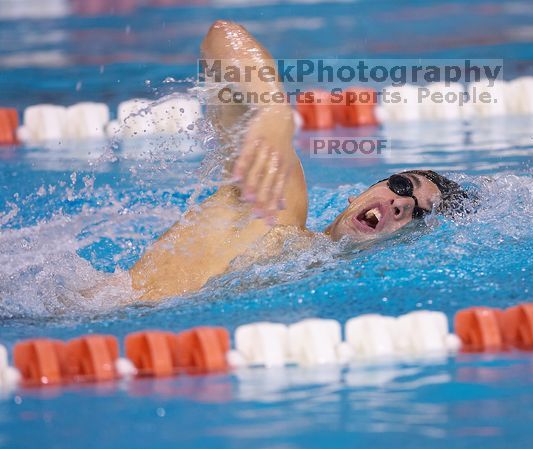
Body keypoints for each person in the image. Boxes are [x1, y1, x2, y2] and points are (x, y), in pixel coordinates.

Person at [127, 20, 476, 302]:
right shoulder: (275, 207)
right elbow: (221, 38)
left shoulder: (313, 292)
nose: (400, 203)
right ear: (358, 194)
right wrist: (273, 111)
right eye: (402, 186)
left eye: (418, 213)